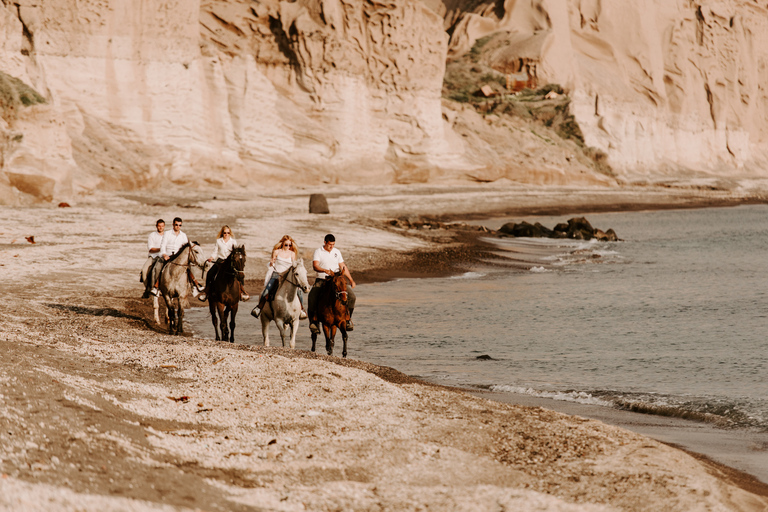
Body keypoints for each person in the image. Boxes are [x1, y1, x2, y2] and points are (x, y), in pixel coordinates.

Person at [307, 233, 356, 334]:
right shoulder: (318, 251)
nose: (331, 246)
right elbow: (315, 266)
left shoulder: (336, 252)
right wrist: (324, 270)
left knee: (352, 297)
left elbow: (342, 266)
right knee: (312, 296)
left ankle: (347, 319)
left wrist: (351, 279)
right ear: (325, 242)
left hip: (337, 280)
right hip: (322, 279)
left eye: (333, 244)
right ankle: (314, 322)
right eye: (330, 244)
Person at [250, 235, 305, 319]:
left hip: (287, 276)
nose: (288, 247)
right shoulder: (276, 252)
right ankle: (259, 308)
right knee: (267, 290)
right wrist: (272, 262)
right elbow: (272, 261)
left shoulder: (292, 253)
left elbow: (294, 265)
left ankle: (301, 310)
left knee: (299, 291)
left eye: (290, 245)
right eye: (286, 245)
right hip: (277, 274)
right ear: (282, 243)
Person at [197, 225, 249, 302]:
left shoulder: (233, 242)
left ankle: (242, 291)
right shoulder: (219, 241)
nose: (226, 234)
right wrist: (211, 258)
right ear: (222, 233)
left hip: (230, 262)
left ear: (230, 233)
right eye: (225, 233)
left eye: (228, 233)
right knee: (210, 273)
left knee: (239, 273)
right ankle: (206, 292)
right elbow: (215, 252)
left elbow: (235, 253)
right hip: (220, 261)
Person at [150, 217, 189, 296]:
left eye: (180, 225)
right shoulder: (167, 233)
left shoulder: (183, 235)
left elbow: (186, 248)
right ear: (173, 224)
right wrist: (164, 254)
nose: (178, 226)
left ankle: (194, 285)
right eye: (176, 225)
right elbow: (163, 245)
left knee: (189, 267)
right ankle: (156, 287)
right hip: (168, 255)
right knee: (157, 267)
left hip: (178, 257)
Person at [141, 219, 165, 298]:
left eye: (162, 226)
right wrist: (160, 248)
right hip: (153, 256)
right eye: (159, 226)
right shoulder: (152, 235)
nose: (160, 228)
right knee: (144, 270)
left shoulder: (167, 235)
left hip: (163, 256)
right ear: (156, 226)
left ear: (164, 226)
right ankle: (147, 288)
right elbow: (150, 249)